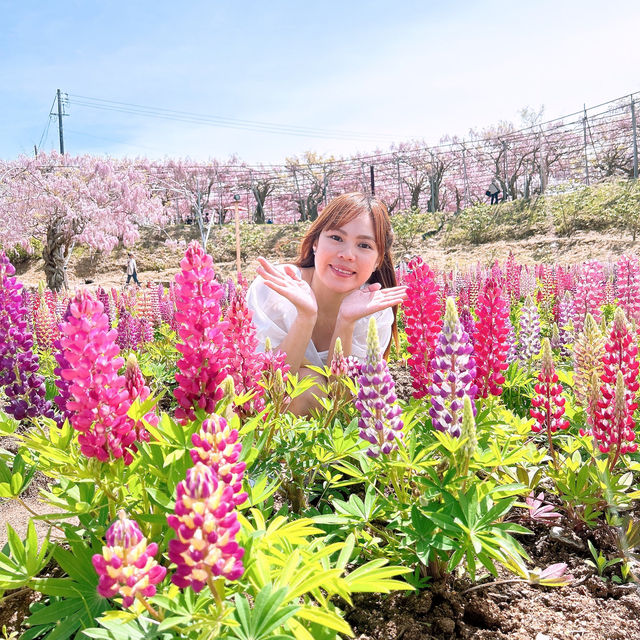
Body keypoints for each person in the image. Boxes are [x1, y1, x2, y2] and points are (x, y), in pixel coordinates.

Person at [247, 192, 407, 415]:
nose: (347, 254)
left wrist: (346, 322)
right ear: (315, 242)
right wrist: (305, 317)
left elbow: (347, 403)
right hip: (265, 428)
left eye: (364, 245)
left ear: (378, 260)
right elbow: (263, 386)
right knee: (307, 385)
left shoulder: (375, 311)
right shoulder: (273, 289)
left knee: (311, 386)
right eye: (336, 238)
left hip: (331, 435)